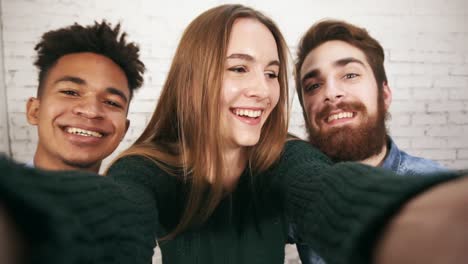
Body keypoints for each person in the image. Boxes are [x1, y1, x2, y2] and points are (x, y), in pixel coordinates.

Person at [0, 4, 466, 264]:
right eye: (238, 68)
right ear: (194, 78)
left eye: (271, 72)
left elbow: (329, 193)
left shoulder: (286, 158)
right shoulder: (147, 168)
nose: (262, 91)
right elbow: (120, 210)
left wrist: (425, 218)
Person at [290, 19, 448, 264]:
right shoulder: (295, 187)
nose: (330, 93)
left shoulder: (436, 190)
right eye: (313, 85)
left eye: (350, 75)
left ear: (384, 96)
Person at [25, 20, 145, 172]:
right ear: (34, 111)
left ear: (124, 130)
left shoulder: (131, 195)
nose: (91, 111)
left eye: (112, 102)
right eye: (71, 93)